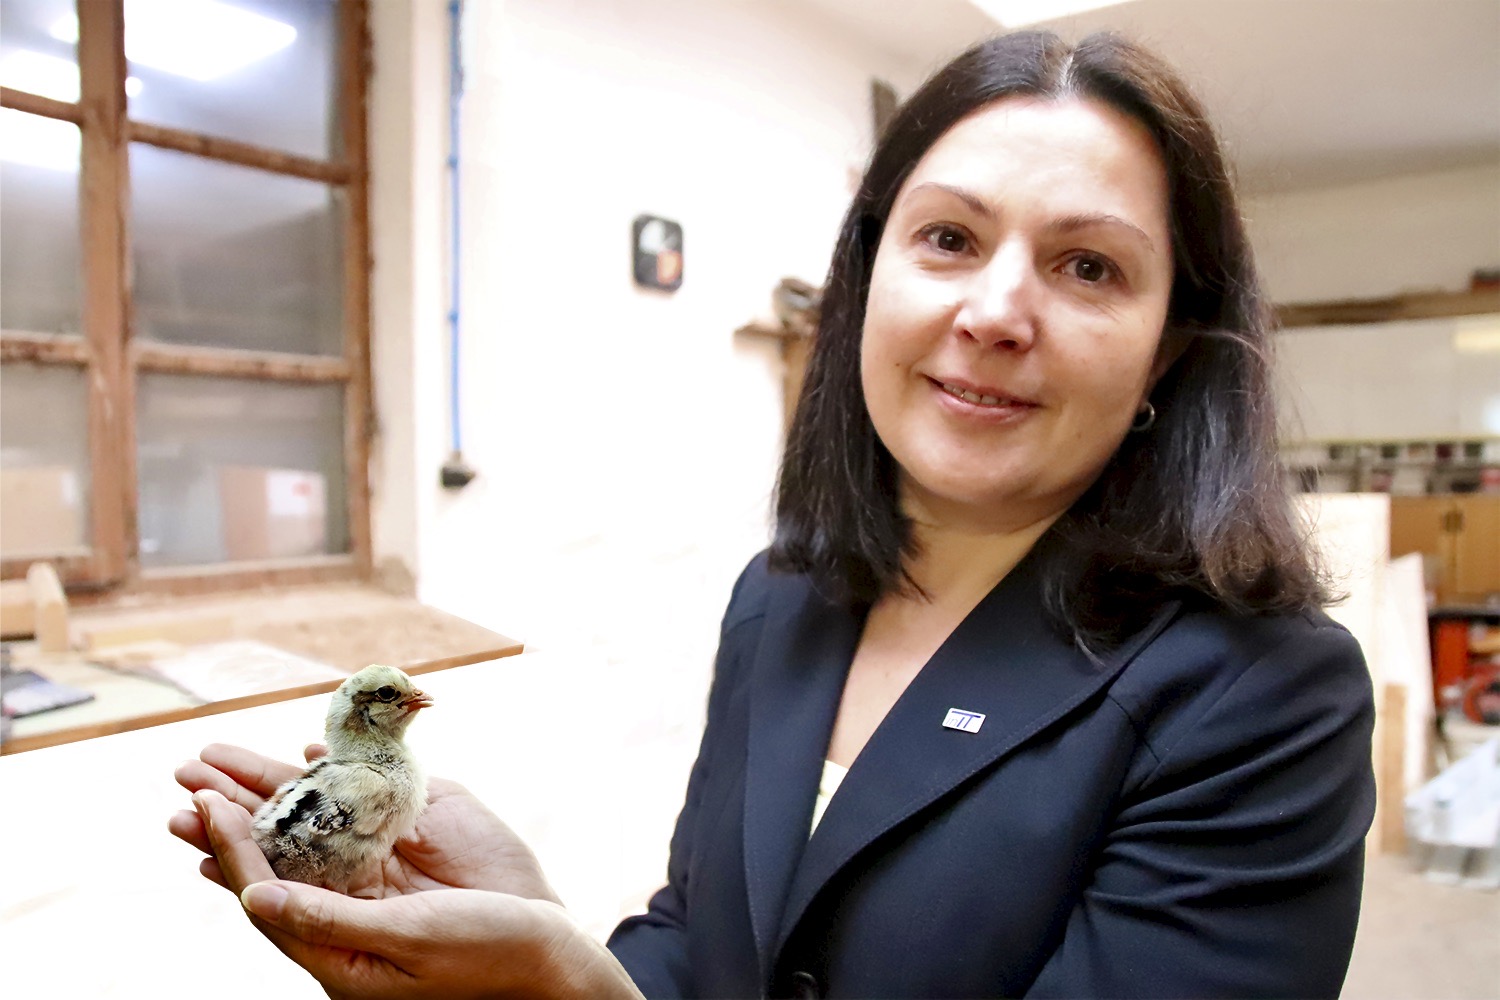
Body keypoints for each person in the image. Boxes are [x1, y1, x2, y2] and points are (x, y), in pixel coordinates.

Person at [171, 29, 1375, 999]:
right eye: (949, 238)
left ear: (1169, 346)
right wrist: (545, 931)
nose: (995, 311)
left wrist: (568, 992)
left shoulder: (1260, 698)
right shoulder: (785, 595)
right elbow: (700, 938)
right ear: (866, 283)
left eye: (1089, 265)